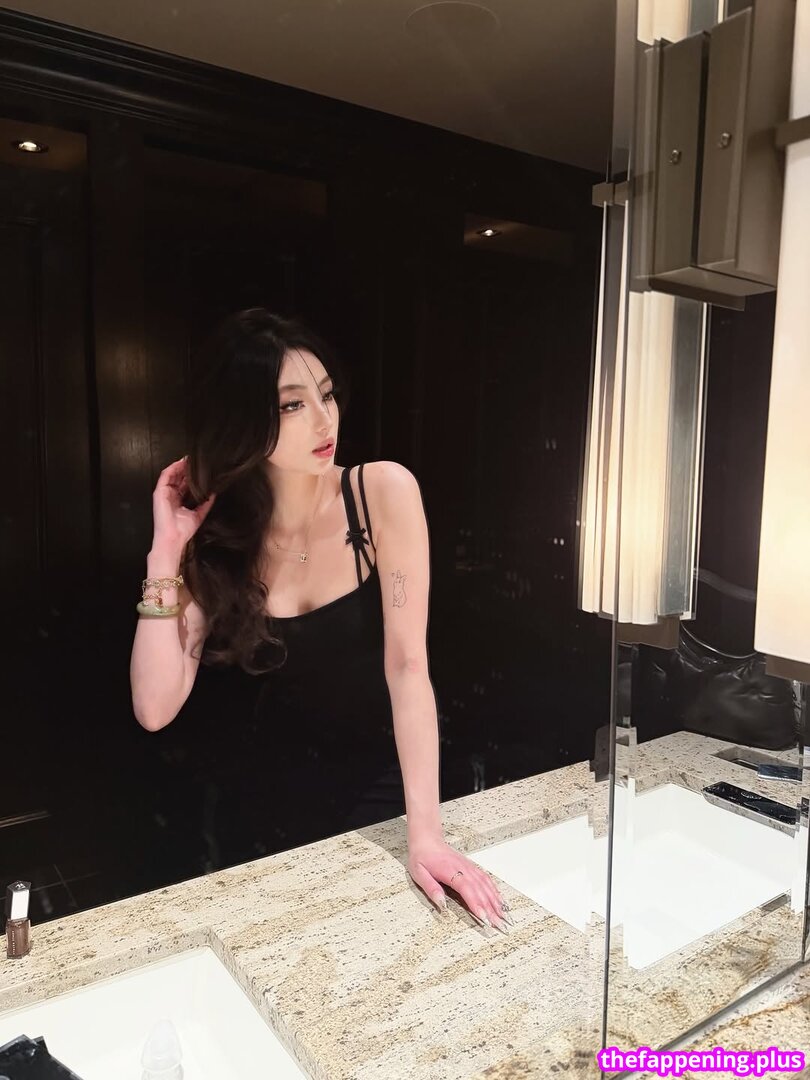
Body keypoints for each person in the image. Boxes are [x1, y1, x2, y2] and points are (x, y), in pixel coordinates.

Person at [130, 307, 510, 932]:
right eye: (292, 405)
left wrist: (426, 835)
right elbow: (153, 705)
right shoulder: (220, 540)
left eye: (326, 395)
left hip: (374, 806)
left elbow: (408, 667)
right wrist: (164, 552)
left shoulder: (380, 492)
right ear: (245, 419)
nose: (323, 418)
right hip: (256, 826)